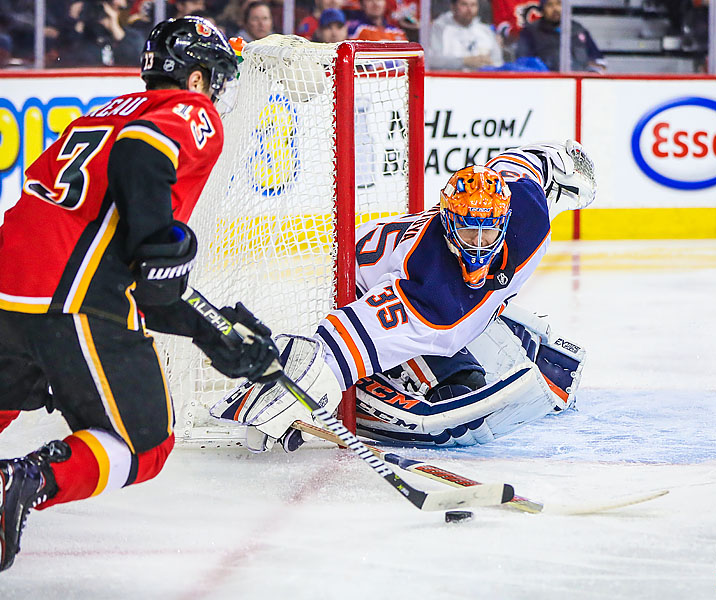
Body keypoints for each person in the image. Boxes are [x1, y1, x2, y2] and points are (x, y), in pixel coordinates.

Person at [0, 16, 279, 574]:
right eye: (216, 79)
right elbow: (143, 169)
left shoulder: (101, 114)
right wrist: (159, 244)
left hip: (0, 283)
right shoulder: (188, 110)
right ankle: (29, 480)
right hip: (68, 296)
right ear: (198, 76)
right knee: (144, 446)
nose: (217, 93)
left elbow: (145, 277)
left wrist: (213, 330)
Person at [216, 140, 596, 452]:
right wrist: (290, 386)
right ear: (448, 224)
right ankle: (367, 392)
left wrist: (562, 161)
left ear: (505, 219)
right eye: (468, 232)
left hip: (429, 285)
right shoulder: (429, 288)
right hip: (362, 285)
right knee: (462, 388)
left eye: (488, 231)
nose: (479, 245)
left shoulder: (528, 211)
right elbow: (344, 343)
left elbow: (525, 163)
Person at [514, 0, 606, 72]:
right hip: (545, 86)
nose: (555, 9)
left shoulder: (578, 30)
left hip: (579, 86)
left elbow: (598, 61)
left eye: (559, 3)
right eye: (550, 5)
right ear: (542, 8)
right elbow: (523, 62)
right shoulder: (530, 32)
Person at [427, 0, 504, 71]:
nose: (469, 9)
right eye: (464, 4)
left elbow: (498, 62)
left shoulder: (486, 30)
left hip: (482, 80)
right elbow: (431, 60)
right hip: (449, 80)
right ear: (453, 7)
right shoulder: (439, 29)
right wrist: (464, 61)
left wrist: (487, 63)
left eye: (473, 5)